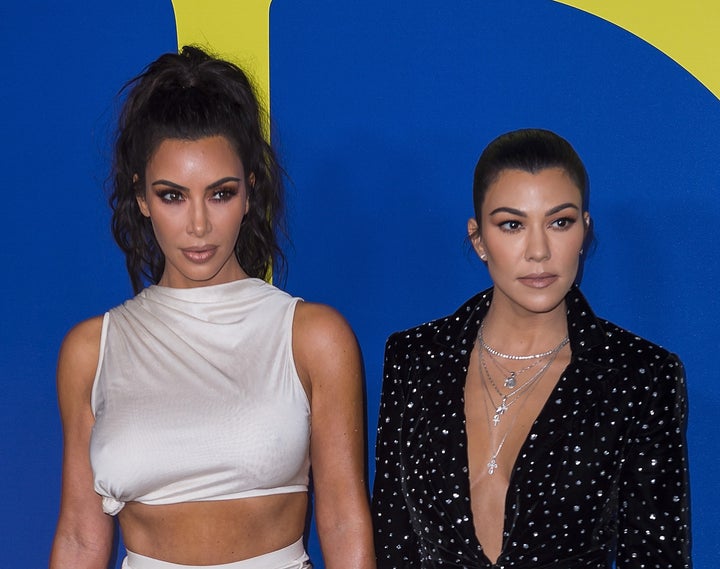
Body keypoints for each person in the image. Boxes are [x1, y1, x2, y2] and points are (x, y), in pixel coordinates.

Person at [50, 46, 375, 569]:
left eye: (220, 194)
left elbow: (342, 519)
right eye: (172, 196)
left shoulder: (312, 336)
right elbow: (79, 537)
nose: (198, 226)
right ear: (140, 197)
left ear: (250, 191)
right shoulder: (92, 349)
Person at [372, 128, 690, 568]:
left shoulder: (639, 376)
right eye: (512, 225)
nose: (539, 251)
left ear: (585, 229)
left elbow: (656, 559)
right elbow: (393, 541)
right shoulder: (414, 358)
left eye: (560, 222)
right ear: (479, 238)